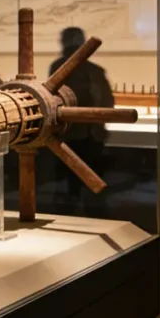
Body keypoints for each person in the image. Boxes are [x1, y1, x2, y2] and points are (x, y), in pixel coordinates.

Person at [48, 27, 115, 209]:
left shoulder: (59, 69)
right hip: (77, 134)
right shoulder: (93, 71)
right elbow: (107, 101)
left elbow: (106, 101)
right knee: (78, 181)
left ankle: (85, 204)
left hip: (79, 134)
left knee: (80, 181)